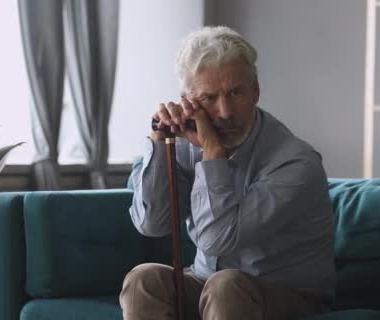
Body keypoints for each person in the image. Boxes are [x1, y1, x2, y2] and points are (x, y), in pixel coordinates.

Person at [120, 25, 336, 320]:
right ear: (188, 100)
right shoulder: (184, 145)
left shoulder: (296, 163)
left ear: (255, 91)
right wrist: (160, 140)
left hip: (286, 292)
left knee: (226, 286)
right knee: (143, 280)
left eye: (235, 93)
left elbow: (216, 240)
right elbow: (153, 225)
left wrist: (212, 152)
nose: (225, 112)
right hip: (207, 282)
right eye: (209, 98)